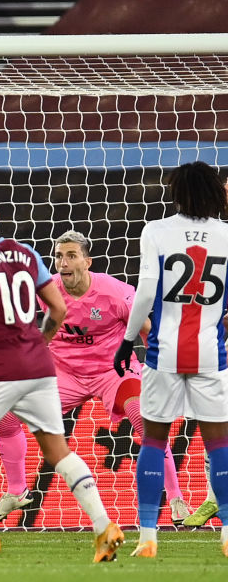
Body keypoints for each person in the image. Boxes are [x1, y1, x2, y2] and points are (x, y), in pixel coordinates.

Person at [0, 188, 123, 563]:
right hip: (39, 366)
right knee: (57, 450)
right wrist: (38, 344)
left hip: (1, 367)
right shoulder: (27, 254)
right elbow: (58, 308)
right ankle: (105, 527)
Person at [0, 230, 189, 525]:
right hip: (64, 373)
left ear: (87, 261)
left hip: (113, 372)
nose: (63, 262)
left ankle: (175, 498)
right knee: (4, 415)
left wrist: (162, 373)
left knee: (144, 419)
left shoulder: (115, 293)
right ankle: (17, 490)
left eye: (71, 256)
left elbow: (147, 331)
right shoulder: (46, 290)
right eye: (59, 256)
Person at [114, 161, 228, 558]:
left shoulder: (156, 230)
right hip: (211, 355)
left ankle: (148, 537)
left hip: (163, 353)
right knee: (219, 445)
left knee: (153, 441)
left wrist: (128, 339)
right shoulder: (227, 235)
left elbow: (146, 292)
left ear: (177, 192)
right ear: (214, 192)